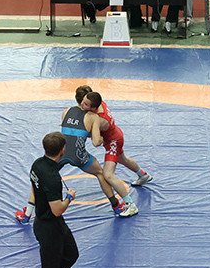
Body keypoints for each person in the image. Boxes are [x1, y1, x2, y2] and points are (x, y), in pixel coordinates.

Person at [15, 88, 138, 222]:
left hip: (60, 153)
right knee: (100, 173)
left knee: (39, 179)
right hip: (79, 156)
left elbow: (69, 129)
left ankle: (27, 214)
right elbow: (96, 142)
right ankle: (116, 206)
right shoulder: (93, 117)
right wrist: (101, 138)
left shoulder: (66, 111)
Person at [78, 87, 151, 212]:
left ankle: (130, 204)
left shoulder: (99, 120)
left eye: (85, 104)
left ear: (93, 108)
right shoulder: (98, 102)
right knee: (123, 159)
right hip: (115, 135)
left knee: (108, 175)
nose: (81, 105)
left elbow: (93, 139)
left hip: (113, 141)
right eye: (82, 101)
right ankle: (143, 175)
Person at [30, 132, 78, 268]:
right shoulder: (52, 176)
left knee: (71, 254)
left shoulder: (37, 164)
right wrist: (69, 197)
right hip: (49, 226)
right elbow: (57, 209)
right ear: (62, 150)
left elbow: (34, 189)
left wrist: (29, 209)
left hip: (50, 223)